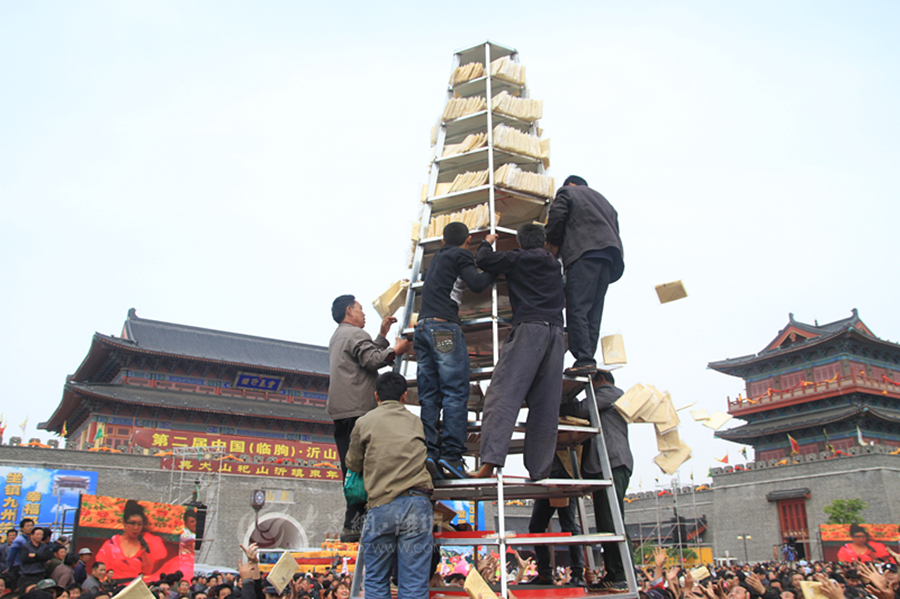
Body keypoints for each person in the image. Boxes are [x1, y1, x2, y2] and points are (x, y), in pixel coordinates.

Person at [473, 224, 565, 480]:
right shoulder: (554, 264)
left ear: (521, 243)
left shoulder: (518, 258)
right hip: (556, 333)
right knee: (546, 405)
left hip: (530, 330)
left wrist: (487, 241)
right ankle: (540, 471)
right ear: (544, 242)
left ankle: (489, 462)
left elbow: (484, 260)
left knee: (503, 394)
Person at [327, 294, 410, 542]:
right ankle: (359, 523)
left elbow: (363, 355)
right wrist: (396, 350)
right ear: (349, 311)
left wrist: (382, 335)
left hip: (341, 412)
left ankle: (353, 525)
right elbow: (372, 360)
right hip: (359, 410)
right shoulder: (355, 334)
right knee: (368, 469)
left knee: (352, 470)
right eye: (360, 309)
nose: (363, 313)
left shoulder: (339, 336)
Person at [415, 221, 494, 480]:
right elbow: (478, 283)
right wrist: (492, 260)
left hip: (422, 330)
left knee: (429, 395)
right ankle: (451, 456)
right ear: (468, 240)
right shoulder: (461, 254)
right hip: (443, 331)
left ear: (442, 241)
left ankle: (429, 453)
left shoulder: (437, 259)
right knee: (454, 392)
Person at [345, 372, 434, 599]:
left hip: (381, 505)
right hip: (417, 504)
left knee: (376, 579)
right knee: (414, 582)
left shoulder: (364, 422)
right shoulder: (416, 422)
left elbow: (352, 463)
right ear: (404, 396)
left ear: (376, 396)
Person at [560, 370, 632, 589]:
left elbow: (582, 410)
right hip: (607, 464)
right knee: (606, 521)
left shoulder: (610, 392)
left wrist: (563, 401)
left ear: (601, 379)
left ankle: (621, 575)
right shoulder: (608, 396)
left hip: (612, 462)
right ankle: (615, 573)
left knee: (611, 520)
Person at [545, 175, 624, 376]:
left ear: (571, 184)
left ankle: (584, 359)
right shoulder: (604, 201)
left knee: (577, 308)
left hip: (583, 254)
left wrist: (552, 244)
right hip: (609, 259)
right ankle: (587, 358)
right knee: (593, 312)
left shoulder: (568, 192)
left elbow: (557, 217)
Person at [524, 453, 585, 587]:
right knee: (536, 526)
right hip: (546, 474)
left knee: (569, 526)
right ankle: (544, 573)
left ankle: (578, 574)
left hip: (565, 472)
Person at [93, 500, 167, 580]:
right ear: (124, 523)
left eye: (139, 524)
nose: (136, 528)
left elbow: (147, 573)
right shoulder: (110, 545)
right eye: (132, 523)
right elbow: (100, 571)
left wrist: (144, 554)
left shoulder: (146, 543)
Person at [7, 519, 35, 586]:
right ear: (22, 528)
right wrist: (9, 568)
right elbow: (11, 555)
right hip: (17, 567)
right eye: (27, 526)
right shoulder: (19, 540)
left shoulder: (31, 539)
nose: (30, 528)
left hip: (26, 567)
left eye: (31, 526)